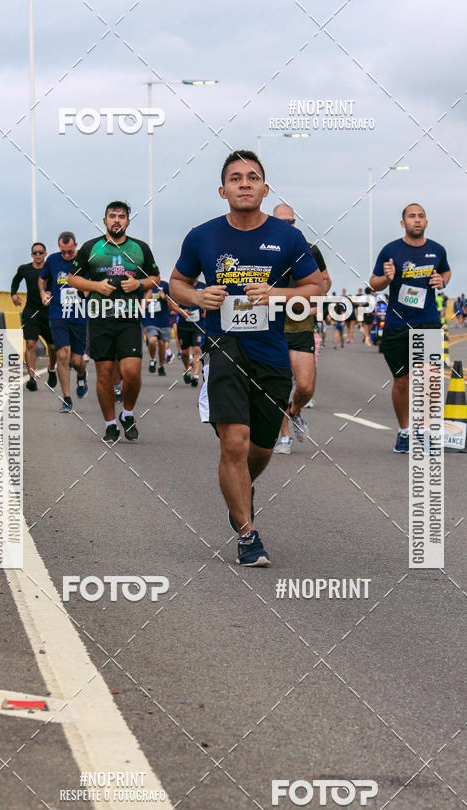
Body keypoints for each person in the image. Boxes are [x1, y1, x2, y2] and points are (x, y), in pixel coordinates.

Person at [169, 150, 323, 566]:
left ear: (264, 188)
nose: (244, 183)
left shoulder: (287, 238)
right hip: (224, 348)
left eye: (252, 177)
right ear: (223, 190)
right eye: (235, 178)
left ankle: (238, 491)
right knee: (233, 444)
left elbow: (314, 287)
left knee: (261, 450)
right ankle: (247, 535)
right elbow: (177, 283)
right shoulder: (203, 236)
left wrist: (278, 294)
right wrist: (198, 295)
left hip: (270, 352)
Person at [68, 201, 160, 442]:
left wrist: (138, 284)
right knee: (105, 373)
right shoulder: (91, 248)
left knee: (131, 372)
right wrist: (95, 285)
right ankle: (110, 423)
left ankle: (127, 414)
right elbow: (72, 279)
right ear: (105, 220)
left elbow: (156, 278)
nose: (117, 220)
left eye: (121, 216)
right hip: (100, 318)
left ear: (128, 221)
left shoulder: (140, 248)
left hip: (129, 318)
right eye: (112, 216)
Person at [370, 202, 451, 453]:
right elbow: (374, 283)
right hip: (397, 324)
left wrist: (442, 281)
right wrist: (387, 278)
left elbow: (446, 272)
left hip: (428, 321)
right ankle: (405, 431)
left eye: (421, 216)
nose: (417, 220)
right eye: (412, 216)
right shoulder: (390, 250)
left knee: (430, 378)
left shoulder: (437, 250)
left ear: (426, 222)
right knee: (403, 381)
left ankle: (425, 431)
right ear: (403, 222)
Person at [271, 203, 331, 454]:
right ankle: (284, 435)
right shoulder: (262, 250)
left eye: (292, 222)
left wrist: (316, 299)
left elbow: (325, 281)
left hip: (301, 326)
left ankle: (294, 412)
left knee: (305, 387)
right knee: (281, 385)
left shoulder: (309, 250)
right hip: (271, 327)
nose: (288, 226)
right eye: (282, 222)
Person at [38, 232, 88, 413]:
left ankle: (82, 375)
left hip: (79, 314)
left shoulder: (85, 259)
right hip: (58, 313)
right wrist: (43, 293)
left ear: (76, 244)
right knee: (62, 355)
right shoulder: (52, 260)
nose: (66, 255)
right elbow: (42, 279)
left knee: (76, 360)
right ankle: (67, 398)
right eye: (63, 251)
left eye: (70, 251)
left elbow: (94, 283)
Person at [11, 242, 57, 390]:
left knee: (53, 346)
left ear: (45, 254)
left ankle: (51, 369)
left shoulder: (51, 269)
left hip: (48, 311)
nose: (38, 255)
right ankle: (31, 379)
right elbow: (15, 280)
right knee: (30, 344)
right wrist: (13, 295)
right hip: (31, 311)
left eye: (40, 252)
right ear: (31, 255)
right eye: (35, 253)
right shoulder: (25, 269)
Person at [168, 280, 205, 387]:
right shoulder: (179, 286)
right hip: (184, 325)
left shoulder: (203, 286)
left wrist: (207, 310)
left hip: (199, 325)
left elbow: (209, 300)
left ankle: (196, 375)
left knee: (197, 349)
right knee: (184, 353)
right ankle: (188, 368)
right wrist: (181, 311)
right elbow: (170, 303)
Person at [143, 279, 171, 376]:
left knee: (162, 343)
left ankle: (161, 366)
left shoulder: (165, 285)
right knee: (152, 340)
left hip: (163, 320)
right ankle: (152, 359)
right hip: (150, 319)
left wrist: (165, 297)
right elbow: (141, 304)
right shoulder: (146, 286)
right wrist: (147, 299)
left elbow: (172, 302)